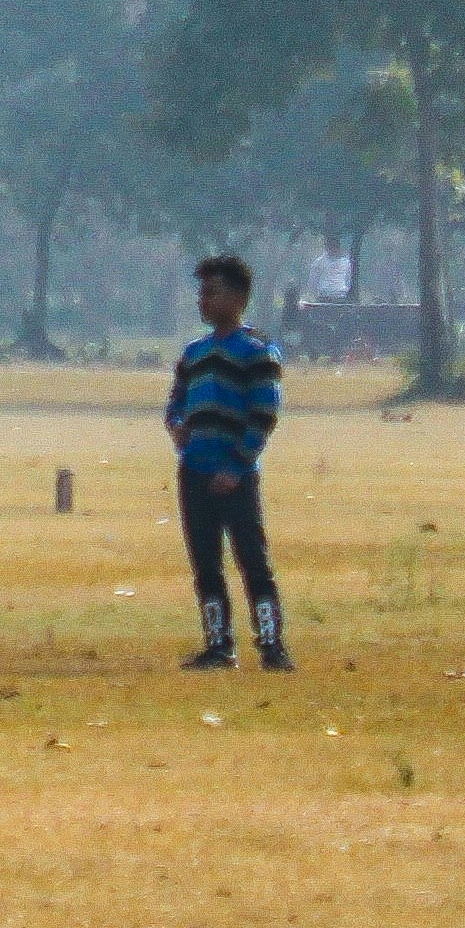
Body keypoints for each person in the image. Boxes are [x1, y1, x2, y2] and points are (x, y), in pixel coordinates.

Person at [168, 253, 289, 670]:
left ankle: (272, 646)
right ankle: (218, 645)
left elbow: (264, 414)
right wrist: (177, 427)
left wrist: (237, 466)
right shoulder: (193, 353)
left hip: (235, 476)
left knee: (252, 560)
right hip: (194, 471)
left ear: (237, 298)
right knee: (205, 564)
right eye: (201, 294)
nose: (203, 302)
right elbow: (175, 404)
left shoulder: (257, 351)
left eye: (212, 293)